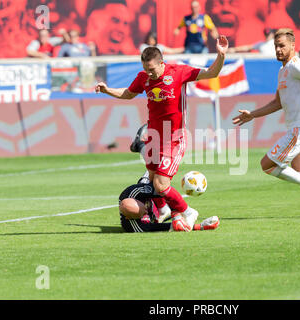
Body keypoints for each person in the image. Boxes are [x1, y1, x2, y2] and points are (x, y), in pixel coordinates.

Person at [95, 35, 229, 231]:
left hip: (174, 137)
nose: (148, 74)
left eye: (151, 69)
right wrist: (107, 90)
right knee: (150, 180)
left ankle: (187, 211)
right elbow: (128, 94)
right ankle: (164, 211)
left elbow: (211, 73)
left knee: (160, 184)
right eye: (145, 69)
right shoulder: (144, 78)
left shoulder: (179, 72)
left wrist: (221, 56)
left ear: (161, 63)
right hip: (154, 138)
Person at [232, 28, 300, 217]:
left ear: (293, 46)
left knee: (267, 165)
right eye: (276, 46)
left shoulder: (297, 66)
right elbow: (277, 103)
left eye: (282, 46)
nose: (278, 50)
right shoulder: (283, 70)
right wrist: (252, 114)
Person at [119, 182, 220, 233]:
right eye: (143, 214)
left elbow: (165, 189)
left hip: (152, 198)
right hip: (155, 218)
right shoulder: (133, 226)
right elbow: (164, 227)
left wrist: (175, 212)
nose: (146, 212)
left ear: (138, 200)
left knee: (156, 181)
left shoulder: (135, 192)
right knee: (155, 220)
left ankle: (141, 146)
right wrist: (200, 226)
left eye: (144, 208)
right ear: (130, 218)